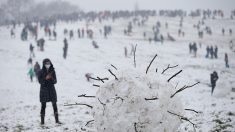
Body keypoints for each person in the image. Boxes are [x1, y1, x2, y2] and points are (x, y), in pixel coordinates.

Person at [38, 58, 61, 125]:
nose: (48, 65)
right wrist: (45, 78)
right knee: (43, 106)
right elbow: (40, 81)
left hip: (52, 90)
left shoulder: (53, 71)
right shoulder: (40, 72)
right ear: (44, 64)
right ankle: (42, 122)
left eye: (49, 63)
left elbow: (55, 81)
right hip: (44, 91)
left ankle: (57, 121)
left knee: (54, 105)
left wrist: (51, 78)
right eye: (46, 63)